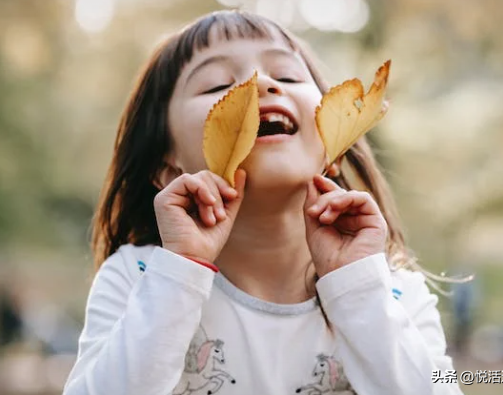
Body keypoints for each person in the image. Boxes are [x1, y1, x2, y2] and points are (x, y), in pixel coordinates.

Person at [63, 10, 463, 395]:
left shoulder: (393, 291)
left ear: (334, 147)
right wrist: (180, 271)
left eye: (287, 74)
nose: (262, 84)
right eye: (217, 86)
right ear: (168, 172)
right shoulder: (139, 276)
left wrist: (356, 286)